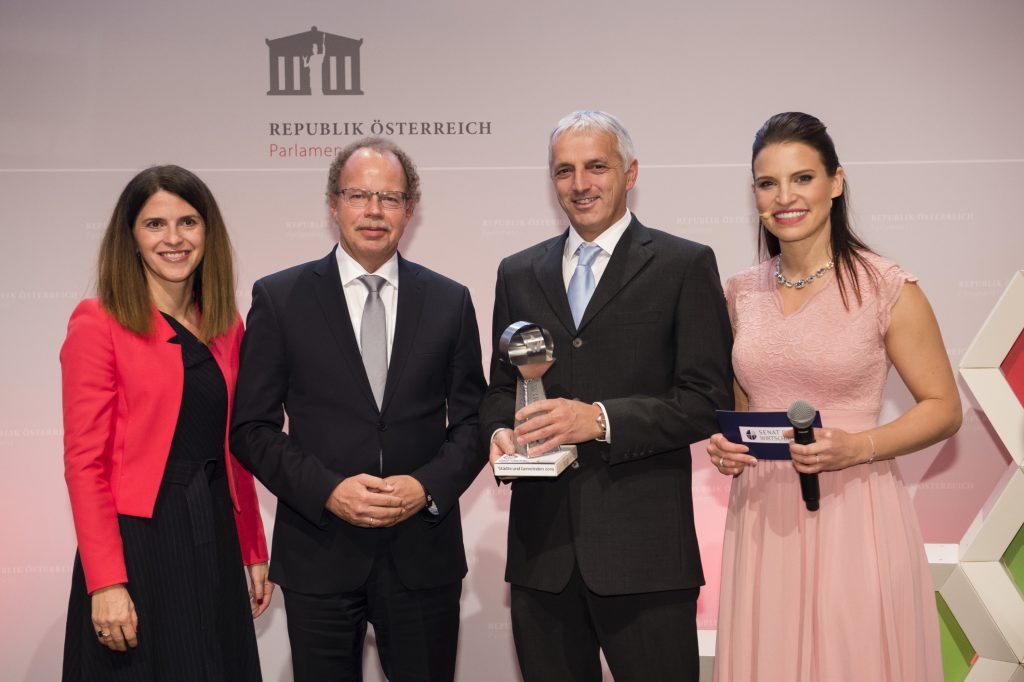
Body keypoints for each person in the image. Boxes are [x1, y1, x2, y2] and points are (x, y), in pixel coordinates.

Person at [707, 112, 962, 681]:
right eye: (768, 183)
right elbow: (743, 406)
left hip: (856, 508)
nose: (785, 197)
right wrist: (726, 447)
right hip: (762, 516)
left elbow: (945, 409)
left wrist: (857, 447)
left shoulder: (886, 286)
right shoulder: (739, 293)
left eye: (802, 178)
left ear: (836, 182)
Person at [480, 110, 734, 681]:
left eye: (596, 167)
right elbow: (499, 390)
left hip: (645, 557)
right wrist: (498, 432)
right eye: (564, 170)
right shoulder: (517, 272)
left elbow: (706, 400)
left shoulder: (683, 264)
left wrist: (597, 420)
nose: (580, 184)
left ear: (630, 173)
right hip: (542, 558)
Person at [230, 137, 486, 682]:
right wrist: (328, 490)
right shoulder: (280, 298)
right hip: (318, 551)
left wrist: (425, 486)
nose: (374, 210)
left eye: (390, 198)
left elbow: (473, 423)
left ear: (409, 210)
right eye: (358, 195)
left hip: (422, 554)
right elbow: (251, 429)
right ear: (333, 204)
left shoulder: (450, 301)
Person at [61, 165, 272, 680]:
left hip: (215, 533)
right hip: (139, 543)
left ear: (207, 232)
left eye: (188, 222)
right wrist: (105, 582)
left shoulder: (225, 323)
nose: (173, 238)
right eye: (155, 224)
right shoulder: (98, 322)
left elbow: (234, 448)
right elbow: (85, 465)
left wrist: (252, 546)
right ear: (131, 238)